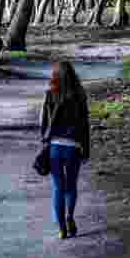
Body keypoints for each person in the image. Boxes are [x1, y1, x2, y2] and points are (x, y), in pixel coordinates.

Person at [39, 61, 90, 239]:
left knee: (58, 188)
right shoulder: (80, 95)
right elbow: (85, 124)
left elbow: (44, 122)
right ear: (73, 75)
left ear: (55, 75)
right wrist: (86, 150)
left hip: (55, 148)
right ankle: (70, 216)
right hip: (73, 147)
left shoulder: (50, 93)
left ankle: (61, 229)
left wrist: (44, 142)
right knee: (71, 186)